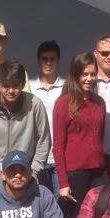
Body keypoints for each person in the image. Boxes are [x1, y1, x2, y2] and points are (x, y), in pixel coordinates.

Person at [0, 60, 51, 195]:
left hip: (23, 177)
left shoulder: (34, 105)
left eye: (16, 85)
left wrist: (33, 172)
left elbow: (44, 140)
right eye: (6, 86)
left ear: (23, 84)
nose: (11, 91)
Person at [51, 52, 106, 218]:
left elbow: (100, 136)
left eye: (92, 74)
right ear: (75, 74)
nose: (89, 78)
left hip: (98, 171)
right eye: (84, 74)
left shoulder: (99, 103)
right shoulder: (63, 103)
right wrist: (63, 183)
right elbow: (58, 147)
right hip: (75, 173)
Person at [29, 41, 64, 196]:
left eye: (52, 59)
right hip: (37, 157)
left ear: (58, 60)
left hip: (60, 158)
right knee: (39, 201)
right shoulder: (29, 87)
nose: (48, 63)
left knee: (61, 203)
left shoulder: (67, 87)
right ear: (38, 60)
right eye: (44, 59)